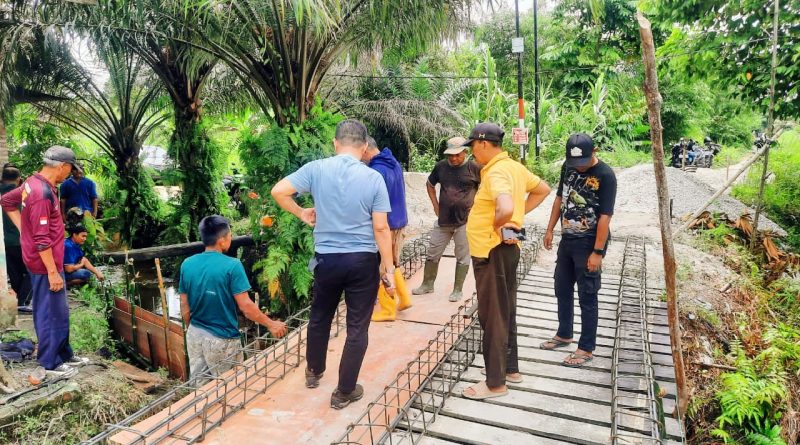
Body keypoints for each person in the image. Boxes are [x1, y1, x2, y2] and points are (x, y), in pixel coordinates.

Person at [271, 119, 396, 410]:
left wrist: (301, 212)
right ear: (364, 147)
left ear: (335, 143)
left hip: (327, 260)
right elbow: (381, 228)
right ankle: (344, 392)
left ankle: (314, 372)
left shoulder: (316, 169)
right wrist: (387, 268)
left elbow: (279, 191)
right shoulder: (373, 178)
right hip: (362, 262)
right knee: (356, 327)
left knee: (320, 316)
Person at [460, 123, 551, 400]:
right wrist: (511, 223)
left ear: (484, 144)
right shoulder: (514, 167)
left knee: (493, 315)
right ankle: (510, 369)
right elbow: (543, 189)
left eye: (472, 146)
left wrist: (500, 224)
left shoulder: (497, 171)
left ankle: (495, 383)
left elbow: (506, 206)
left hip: (491, 250)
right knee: (506, 308)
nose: (471, 153)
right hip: (507, 247)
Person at [0, 146, 89, 376]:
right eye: (69, 170)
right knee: (49, 311)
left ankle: (64, 353)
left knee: (60, 310)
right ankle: (50, 362)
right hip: (43, 264)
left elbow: (7, 201)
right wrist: (52, 271)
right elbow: (41, 240)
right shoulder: (41, 193)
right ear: (62, 166)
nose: (69, 175)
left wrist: (23, 230)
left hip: (49, 261)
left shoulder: (33, 182)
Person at [179, 215, 288, 381]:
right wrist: (271, 324)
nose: (231, 238)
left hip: (195, 334)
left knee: (200, 389)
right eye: (230, 235)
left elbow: (184, 305)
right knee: (231, 387)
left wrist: (193, 329)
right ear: (222, 240)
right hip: (222, 339)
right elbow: (245, 306)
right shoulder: (232, 265)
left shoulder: (187, 263)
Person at [542, 133, 617, 368]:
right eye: (575, 162)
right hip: (568, 239)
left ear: (594, 152)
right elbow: (559, 199)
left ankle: (586, 348)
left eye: (583, 162)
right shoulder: (568, 167)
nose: (579, 167)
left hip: (589, 242)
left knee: (587, 294)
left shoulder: (606, 175)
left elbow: (605, 216)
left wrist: (598, 252)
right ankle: (564, 333)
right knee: (561, 286)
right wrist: (550, 229)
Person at [413, 136, 482, 302]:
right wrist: (435, 206)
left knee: (462, 255)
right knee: (433, 252)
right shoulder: (441, 167)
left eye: (457, 155)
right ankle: (427, 284)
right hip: (443, 220)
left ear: (465, 152)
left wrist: (477, 205)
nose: (453, 158)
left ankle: (457, 289)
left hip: (464, 221)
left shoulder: (474, 168)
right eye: (450, 155)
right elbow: (430, 185)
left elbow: (485, 187)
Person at [362, 137, 412, 322]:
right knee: (393, 262)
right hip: (400, 220)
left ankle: (388, 310)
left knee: (383, 267)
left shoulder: (376, 171)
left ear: (366, 150)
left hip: (387, 224)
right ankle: (404, 298)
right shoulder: (393, 163)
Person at [0, 166, 32, 311]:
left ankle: (20, 301)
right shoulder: (23, 194)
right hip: (22, 239)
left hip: (4, 242)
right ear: (19, 179)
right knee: (33, 270)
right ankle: (23, 301)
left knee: (14, 272)